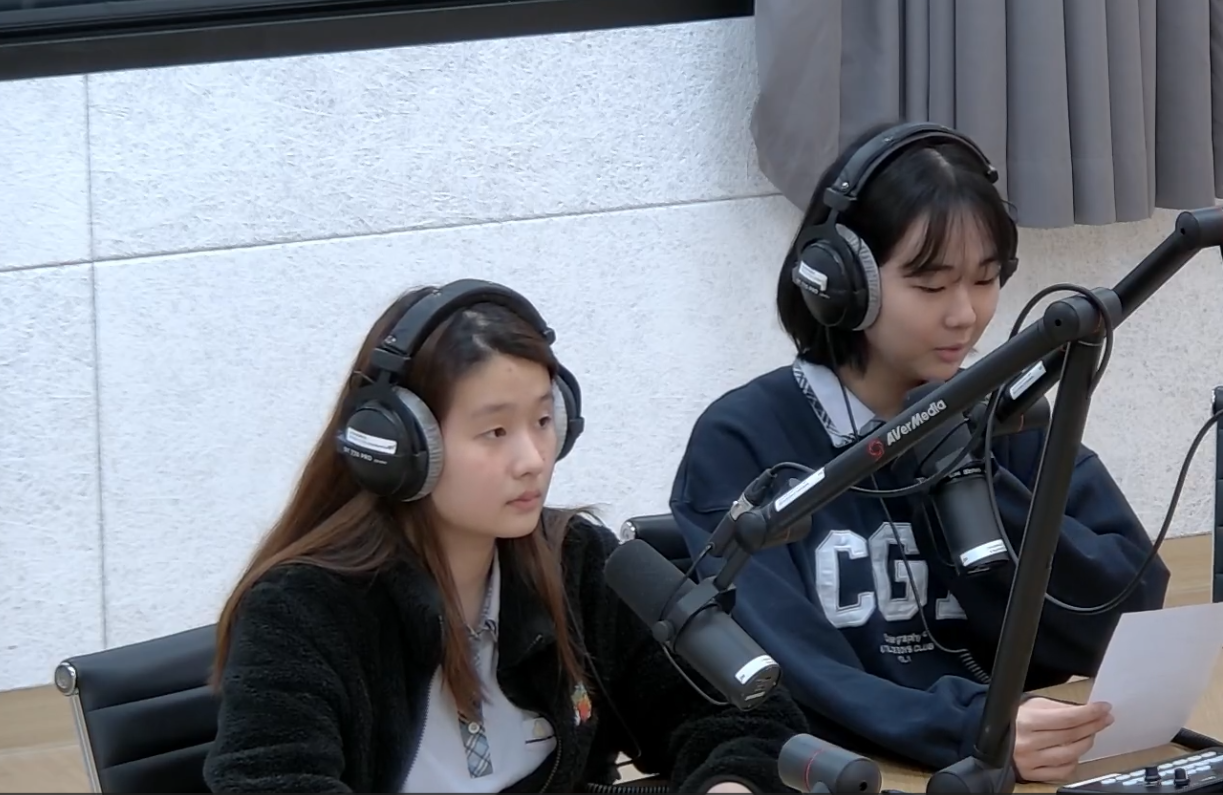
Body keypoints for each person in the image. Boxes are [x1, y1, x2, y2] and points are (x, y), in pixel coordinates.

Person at [668, 122, 1169, 783]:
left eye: (986, 280)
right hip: (866, 774)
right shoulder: (742, 440)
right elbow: (791, 672)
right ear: (840, 283)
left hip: (1028, 763)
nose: (965, 314)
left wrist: (970, 473)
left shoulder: (1005, 417)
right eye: (931, 286)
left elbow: (1129, 609)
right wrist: (974, 727)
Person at [204, 280, 805, 794]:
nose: (533, 460)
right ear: (402, 447)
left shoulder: (577, 562)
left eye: (543, 420)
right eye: (494, 432)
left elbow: (748, 715)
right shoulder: (302, 611)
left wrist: (733, 783)